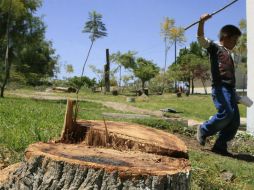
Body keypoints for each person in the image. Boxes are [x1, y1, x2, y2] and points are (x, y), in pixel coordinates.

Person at [196, 13, 242, 155]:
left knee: (235, 121)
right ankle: (204, 129)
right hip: (220, 87)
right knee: (226, 113)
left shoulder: (230, 55)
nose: (236, 43)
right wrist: (202, 22)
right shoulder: (215, 47)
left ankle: (220, 146)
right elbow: (201, 39)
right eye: (234, 40)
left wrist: (236, 95)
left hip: (230, 89)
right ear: (225, 37)